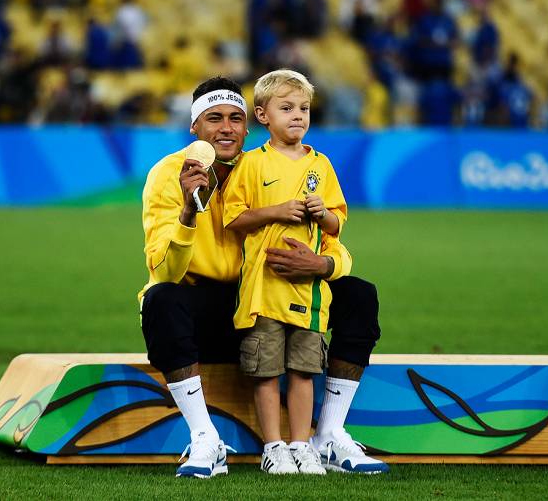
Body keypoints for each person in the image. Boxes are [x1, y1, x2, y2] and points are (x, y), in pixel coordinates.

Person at [138, 76, 386, 478]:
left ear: (249, 125)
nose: (226, 128)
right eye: (214, 118)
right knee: (161, 300)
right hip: (207, 313)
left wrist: (322, 265)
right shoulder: (168, 175)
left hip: (264, 298)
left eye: (235, 118)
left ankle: (328, 434)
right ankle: (205, 437)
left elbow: (329, 239)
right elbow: (164, 272)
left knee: (358, 294)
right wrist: (187, 212)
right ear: (194, 127)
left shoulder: (264, 166)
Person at [222, 70, 344, 475]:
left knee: (305, 370)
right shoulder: (252, 164)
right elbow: (233, 218)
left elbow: (337, 224)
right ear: (263, 115)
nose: (298, 116)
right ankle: (273, 447)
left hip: (308, 293)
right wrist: (275, 211)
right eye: (286, 108)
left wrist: (322, 213)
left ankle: (301, 443)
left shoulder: (321, 165)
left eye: (304, 109)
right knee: (267, 371)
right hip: (263, 290)